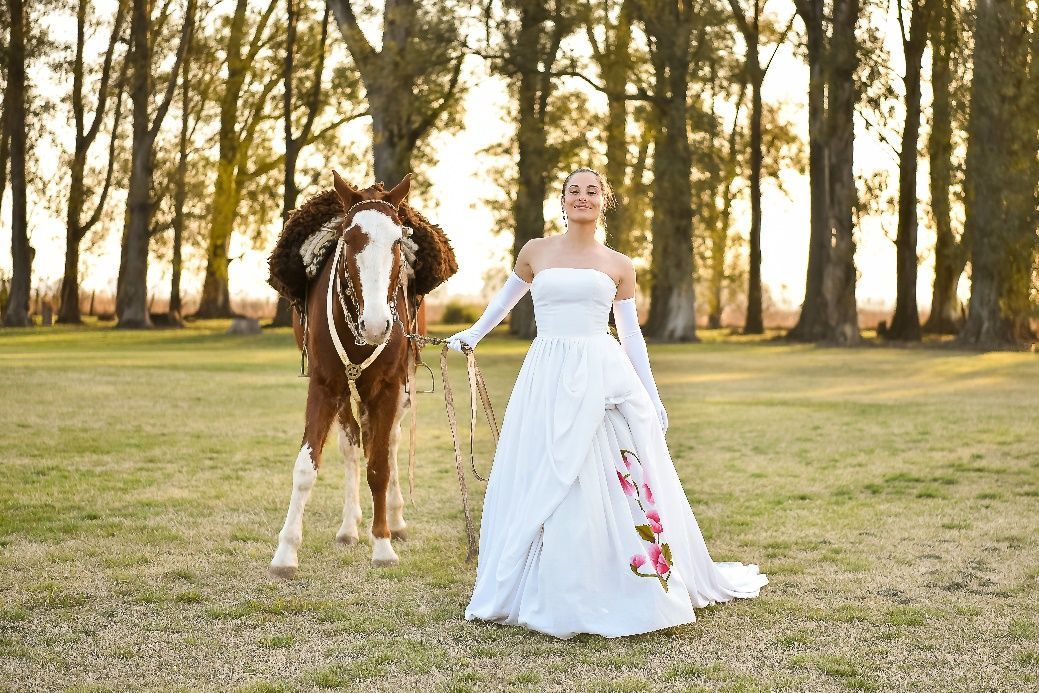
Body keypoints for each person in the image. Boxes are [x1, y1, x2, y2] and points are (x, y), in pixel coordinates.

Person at [448, 168, 767, 639]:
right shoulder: (535, 252)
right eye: (573, 191)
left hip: (602, 372)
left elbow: (630, 334)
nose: (582, 197)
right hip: (547, 372)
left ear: (604, 201)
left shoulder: (619, 264)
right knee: (545, 467)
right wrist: (472, 335)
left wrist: (652, 395)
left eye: (592, 191)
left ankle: (618, 576)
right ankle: (543, 579)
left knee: (610, 471)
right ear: (562, 201)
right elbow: (504, 303)